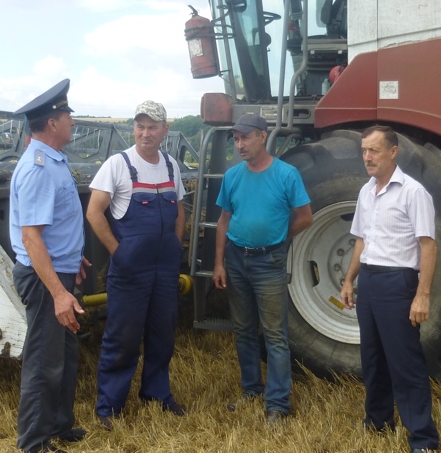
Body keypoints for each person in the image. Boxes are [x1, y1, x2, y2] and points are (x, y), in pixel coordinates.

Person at [86, 101, 187, 429]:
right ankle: (109, 407)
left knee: (162, 334)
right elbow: (94, 212)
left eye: (153, 126)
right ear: (134, 128)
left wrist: (175, 243)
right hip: (131, 270)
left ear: (165, 131)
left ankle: (157, 394)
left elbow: (179, 210)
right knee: (123, 338)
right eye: (140, 126)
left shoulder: (171, 165)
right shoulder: (118, 164)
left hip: (164, 268)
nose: (145, 132)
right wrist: (118, 252)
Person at [339, 125, 440, 453]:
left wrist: (421, 295)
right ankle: (378, 420)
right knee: (372, 358)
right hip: (369, 280)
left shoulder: (413, 192)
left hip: (399, 283)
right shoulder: (366, 192)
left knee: (405, 361)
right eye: (364, 150)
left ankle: (423, 438)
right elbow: (361, 240)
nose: (367, 157)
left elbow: (428, 246)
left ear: (393, 151)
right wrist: (349, 280)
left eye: (374, 150)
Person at [212, 112, 313, 427]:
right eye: (236, 139)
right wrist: (218, 262)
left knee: (274, 334)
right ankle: (252, 390)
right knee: (243, 330)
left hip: (268, 262)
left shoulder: (287, 174)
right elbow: (224, 220)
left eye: (244, 137)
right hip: (236, 259)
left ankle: (278, 405)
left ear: (261, 136)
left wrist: (280, 240)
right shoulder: (233, 176)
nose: (239, 144)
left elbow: (305, 217)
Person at [9, 78, 90, 453]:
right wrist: (58, 293)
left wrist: (75, 256)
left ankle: (59, 425)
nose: (73, 121)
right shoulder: (39, 168)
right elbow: (31, 238)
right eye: (67, 115)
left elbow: (55, 225)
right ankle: (34, 444)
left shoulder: (53, 161)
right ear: (53, 122)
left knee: (64, 355)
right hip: (46, 281)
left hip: (60, 270)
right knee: (44, 362)